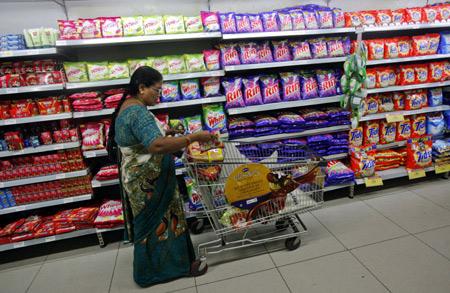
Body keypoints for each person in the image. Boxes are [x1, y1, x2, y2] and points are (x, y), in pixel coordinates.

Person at [107, 66, 215, 287]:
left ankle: (154, 269)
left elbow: (141, 139)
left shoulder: (130, 106)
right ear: (142, 88)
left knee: (155, 224)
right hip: (149, 183)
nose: (159, 95)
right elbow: (156, 146)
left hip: (142, 180)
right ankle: (166, 270)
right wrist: (192, 137)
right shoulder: (137, 112)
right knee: (161, 223)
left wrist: (166, 133)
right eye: (157, 90)